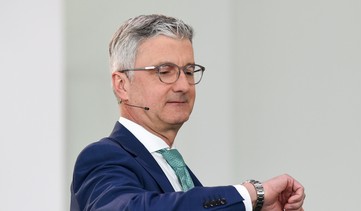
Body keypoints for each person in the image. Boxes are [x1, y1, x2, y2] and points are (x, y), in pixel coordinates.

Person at [70, 14, 305, 211]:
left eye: (189, 71)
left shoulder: (177, 171)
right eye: (164, 71)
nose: (183, 85)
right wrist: (249, 194)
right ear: (122, 85)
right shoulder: (102, 157)